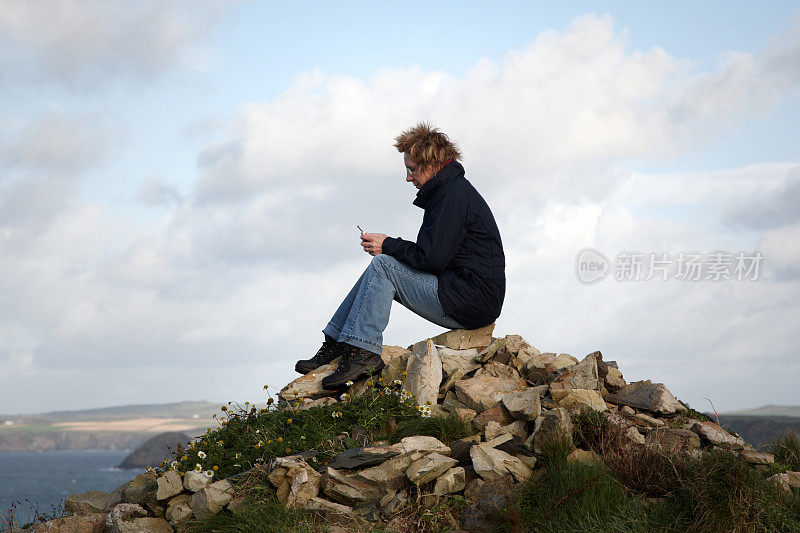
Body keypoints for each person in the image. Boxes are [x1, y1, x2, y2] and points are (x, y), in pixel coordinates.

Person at [295, 123, 506, 389]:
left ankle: (362, 352)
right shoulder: (450, 192)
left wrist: (389, 245)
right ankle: (336, 343)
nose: (408, 177)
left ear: (432, 165)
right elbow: (434, 257)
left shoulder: (453, 196)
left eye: (412, 169)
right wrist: (390, 247)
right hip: (464, 294)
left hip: (470, 301)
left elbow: (431, 259)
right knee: (383, 264)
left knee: (383, 265)